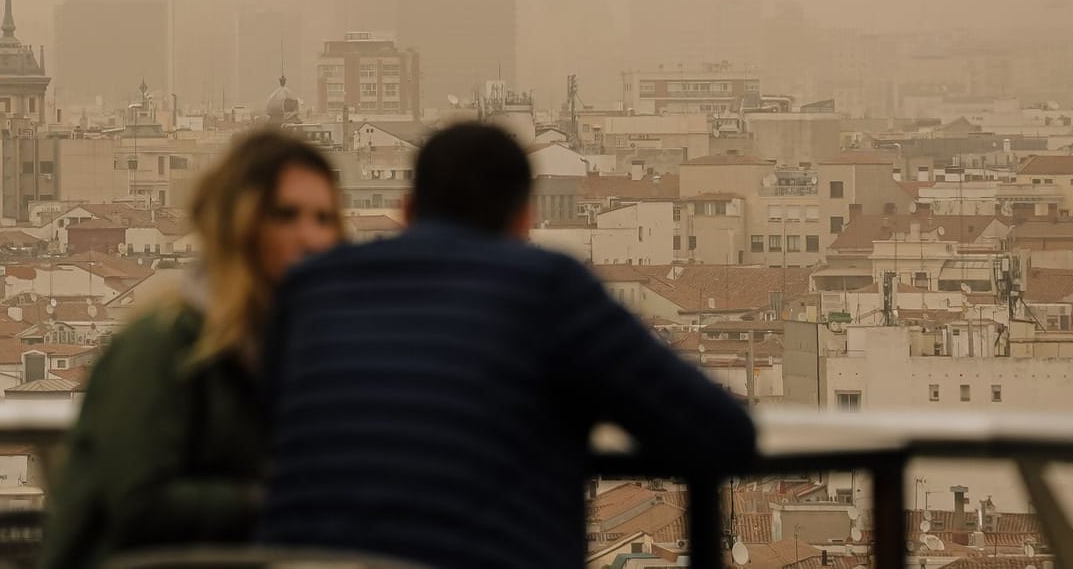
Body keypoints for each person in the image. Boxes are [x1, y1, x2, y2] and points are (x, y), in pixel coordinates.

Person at [258, 123, 757, 569]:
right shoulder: (546, 288)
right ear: (524, 220)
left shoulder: (311, 288)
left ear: (406, 210)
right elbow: (720, 429)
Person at [40, 130, 345, 569]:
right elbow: (139, 503)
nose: (311, 238)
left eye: (324, 219)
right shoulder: (161, 344)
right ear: (239, 225)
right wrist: (271, 500)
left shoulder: (281, 348)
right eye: (285, 215)